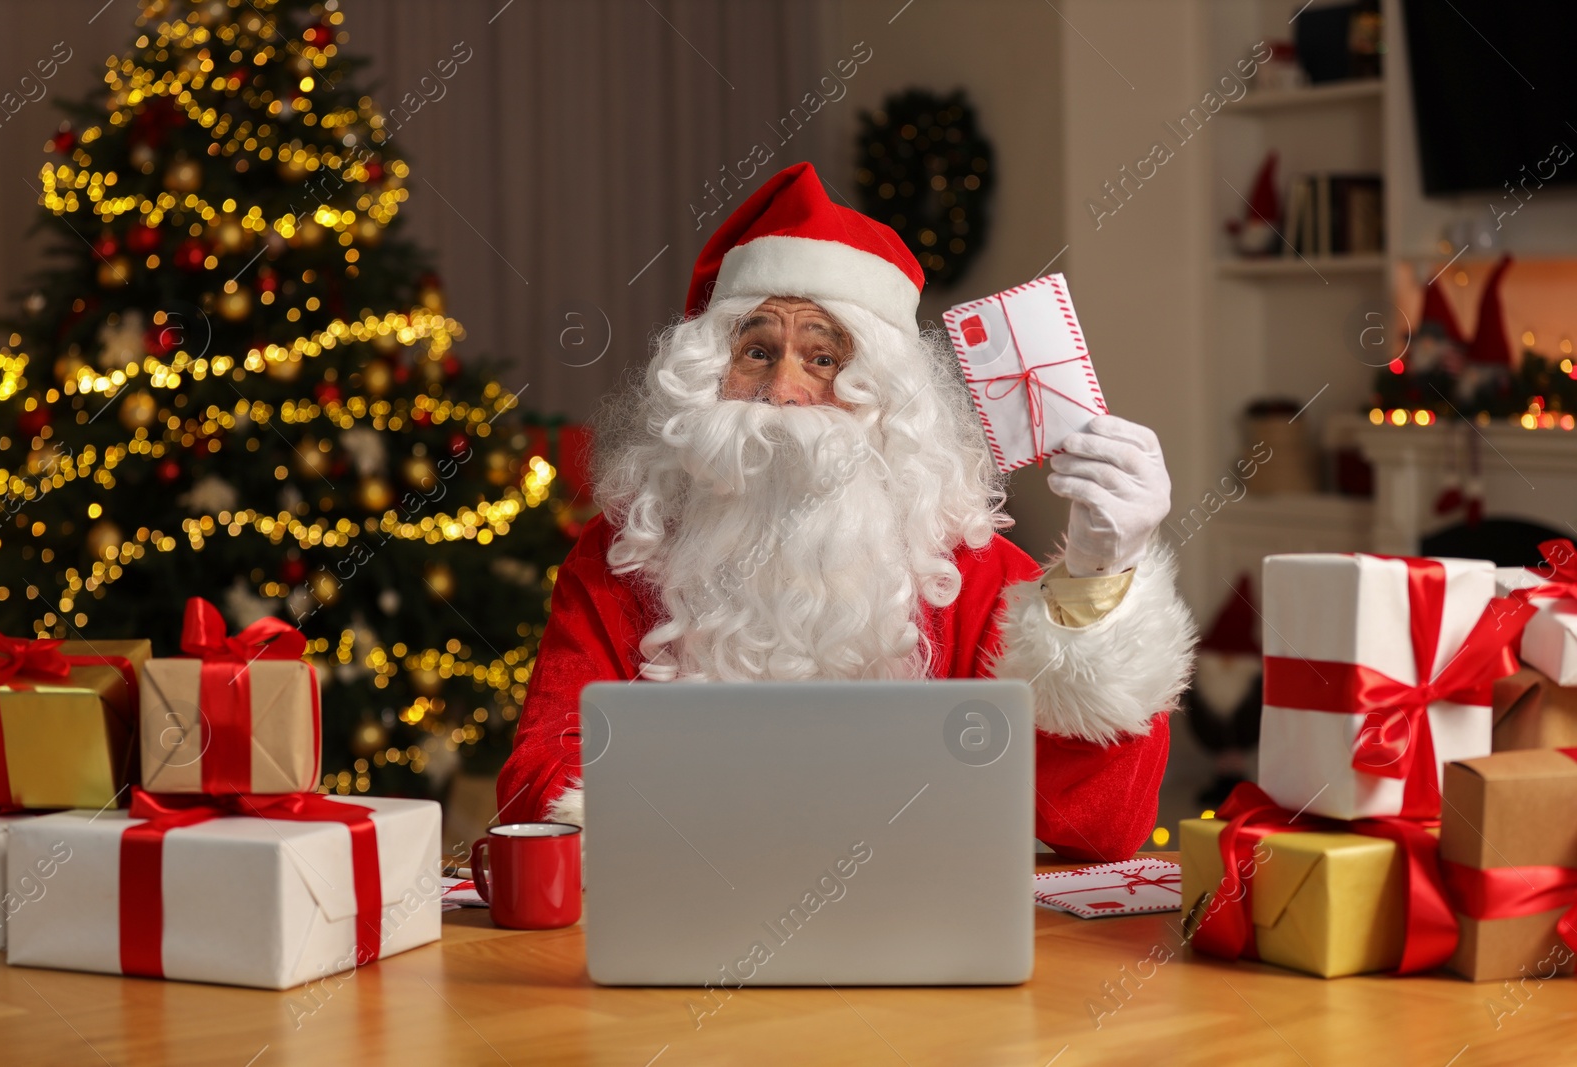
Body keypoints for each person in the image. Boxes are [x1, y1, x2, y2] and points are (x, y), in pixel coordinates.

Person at [496, 162, 1196, 860]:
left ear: (887, 401)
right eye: (758, 351)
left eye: (824, 357)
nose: (784, 392)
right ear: (706, 379)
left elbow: (1101, 827)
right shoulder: (624, 556)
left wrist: (1100, 579)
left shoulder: (970, 572)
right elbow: (539, 788)